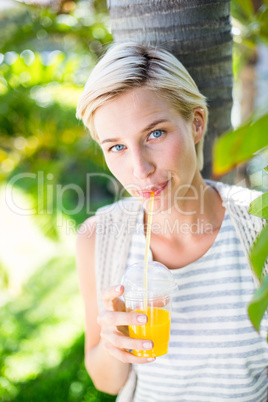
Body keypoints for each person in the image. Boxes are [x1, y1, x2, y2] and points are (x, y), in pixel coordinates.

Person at [75, 42, 268, 402]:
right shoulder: (98, 239)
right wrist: (115, 345)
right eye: (116, 147)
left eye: (155, 134)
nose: (139, 169)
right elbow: (107, 382)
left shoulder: (261, 224)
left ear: (196, 122)